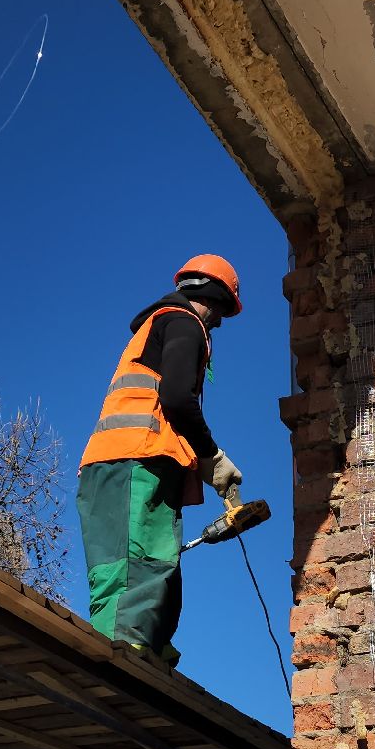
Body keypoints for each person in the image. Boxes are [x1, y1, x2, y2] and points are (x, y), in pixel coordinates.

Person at [76, 255, 244, 666]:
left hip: (123, 464)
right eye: (221, 312)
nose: (218, 324)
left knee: (152, 559)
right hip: (136, 460)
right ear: (212, 296)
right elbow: (177, 400)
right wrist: (212, 457)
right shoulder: (185, 322)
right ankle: (126, 653)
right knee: (136, 562)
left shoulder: (159, 327)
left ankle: (149, 644)